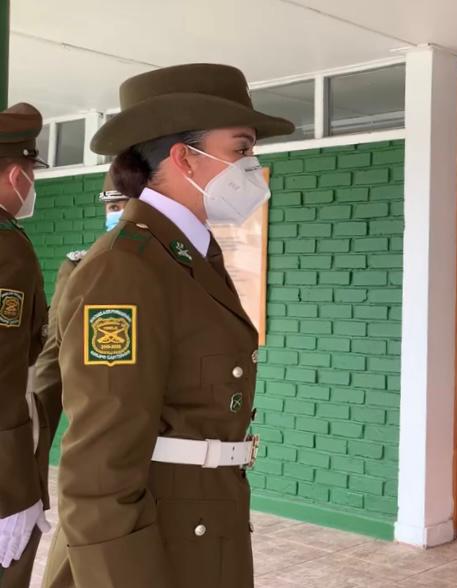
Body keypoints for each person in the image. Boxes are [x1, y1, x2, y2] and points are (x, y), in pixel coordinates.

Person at [42, 63, 293, 588]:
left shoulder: (186, 252)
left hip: (200, 519)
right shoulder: (125, 266)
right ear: (185, 158)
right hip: (155, 539)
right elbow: (98, 468)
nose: (253, 165)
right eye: (242, 149)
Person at [31, 173, 130, 463]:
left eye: (128, 204)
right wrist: (30, 451)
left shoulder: (177, 270)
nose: (120, 213)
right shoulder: (80, 268)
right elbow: (52, 358)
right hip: (102, 425)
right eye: (114, 207)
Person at [0, 103, 52, 588]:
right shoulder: (7, 246)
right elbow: (5, 370)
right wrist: (13, 491)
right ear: (18, 173)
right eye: (32, 173)